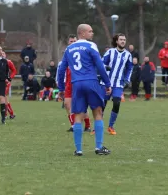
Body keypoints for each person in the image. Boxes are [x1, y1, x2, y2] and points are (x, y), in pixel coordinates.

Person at [57, 24, 112, 156]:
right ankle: (98, 147)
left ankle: (79, 150)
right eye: (90, 31)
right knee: (98, 113)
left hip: (76, 84)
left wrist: (61, 88)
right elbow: (100, 65)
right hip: (91, 82)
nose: (92, 33)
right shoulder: (91, 46)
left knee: (77, 116)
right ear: (82, 33)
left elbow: (61, 70)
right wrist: (107, 83)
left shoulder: (69, 49)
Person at [101, 33, 133, 135]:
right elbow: (101, 63)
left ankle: (110, 126)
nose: (123, 41)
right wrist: (106, 67)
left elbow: (129, 68)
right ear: (116, 41)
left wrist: (127, 80)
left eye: (124, 40)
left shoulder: (128, 55)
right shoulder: (110, 52)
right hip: (106, 83)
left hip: (118, 83)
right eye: (121, 39)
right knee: (102, 105)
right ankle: (97, 127)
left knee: (117, 102)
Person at [60, 34, 91, 133]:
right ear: (68, 43)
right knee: (67, 104)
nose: (72, 43)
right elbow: (61, 69)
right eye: (71, 41)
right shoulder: (67, 53)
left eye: (74, 41)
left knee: (82, 106)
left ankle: (87, 125)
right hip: (69, 84)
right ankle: (74, 125)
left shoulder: (81, 53)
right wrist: (60, 85)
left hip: (79, 82)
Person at [2, 51, 17, 119]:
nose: (2, 55)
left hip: (6, 83)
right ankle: (11, 114)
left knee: (3, 97)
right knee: (4, 99)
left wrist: (9, 78)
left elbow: (14, 71)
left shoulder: (8, 62)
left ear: (5, 55)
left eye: (3, 54)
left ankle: (6, 114)